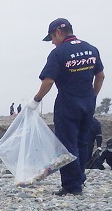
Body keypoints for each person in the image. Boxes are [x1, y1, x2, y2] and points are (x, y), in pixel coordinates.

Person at [32, 18, 104, 196]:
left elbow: (48, 80)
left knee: (66, 144)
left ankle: (72, 186)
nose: (53, 43)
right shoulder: (91, 49)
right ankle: (79, 179)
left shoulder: (59, 53)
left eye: (52, 39)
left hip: (68, 102)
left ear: (58, 32)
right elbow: (100, 75)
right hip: (87, 102)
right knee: (82, 141)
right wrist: (92, 96)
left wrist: (36, 100)